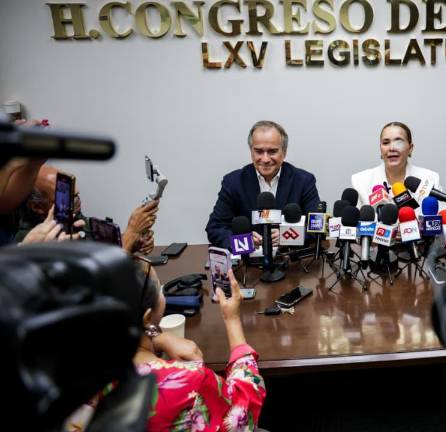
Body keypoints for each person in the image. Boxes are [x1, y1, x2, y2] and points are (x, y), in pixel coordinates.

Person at [67, 267, 265, 431]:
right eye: (159, 289)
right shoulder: (184, 381)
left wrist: (155, 338)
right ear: (146, 317)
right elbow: (242, 410)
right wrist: (232, 320)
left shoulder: (70, 373)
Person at [206, 120, 320, 249]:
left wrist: (288, 236)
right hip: (249, 263)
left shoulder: (304, 181)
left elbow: (317, 227)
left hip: (289, 259)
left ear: (284, 152)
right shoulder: (233, 182)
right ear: (251, 152)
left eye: (272, 151)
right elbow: (215, 228)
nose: (265, 159)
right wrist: (244, 242)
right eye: (259, 151)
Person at [13, 164, 158, 254]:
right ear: (37, 207)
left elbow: (101, 255)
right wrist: (132, 233)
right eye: (68, 198)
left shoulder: (73, 220)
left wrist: (133, 243)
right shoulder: (32, 246)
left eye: (76, 195)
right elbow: (100, 284)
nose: (76, 201)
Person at [350, 121, 442, 209]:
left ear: (410, 148)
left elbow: (443, 220)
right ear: (380, 149)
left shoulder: (430, 179)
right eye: (386, 143)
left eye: (398, 142)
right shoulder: (360, 181)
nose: (392, 148)